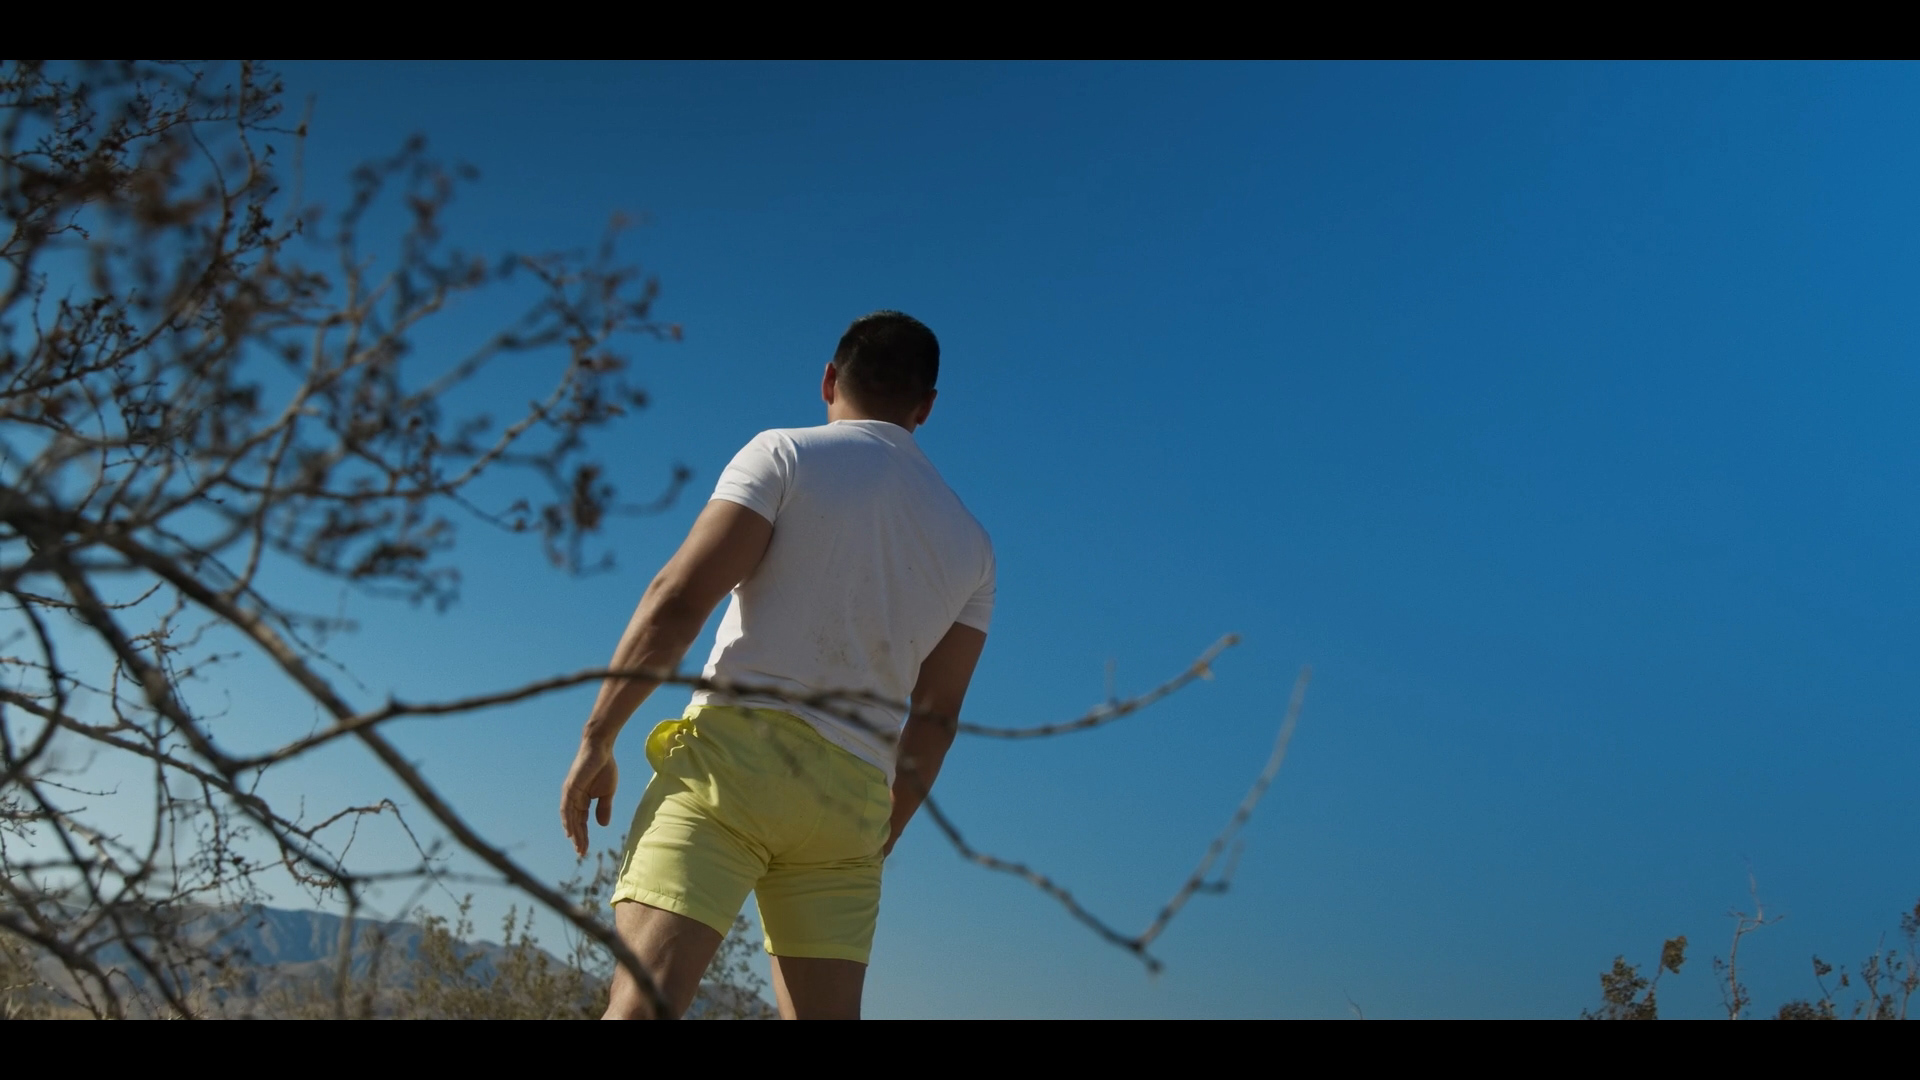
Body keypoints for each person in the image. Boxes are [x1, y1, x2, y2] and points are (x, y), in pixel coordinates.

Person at [559, 311, 994, 1020]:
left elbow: (679, 599)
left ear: (829, 378)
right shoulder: (973, 549)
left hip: (734, 765)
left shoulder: (785, 454)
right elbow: (937, 717)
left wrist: (598, 736)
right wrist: (876, 836)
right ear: (926, 407)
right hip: (853, 800)